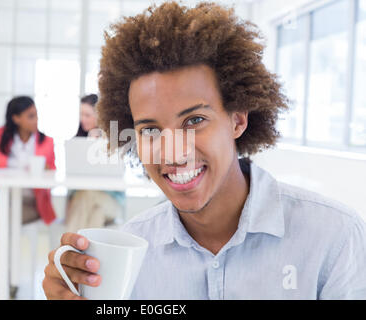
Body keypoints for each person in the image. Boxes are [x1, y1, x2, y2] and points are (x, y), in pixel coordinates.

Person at [42, 2, 366, 300]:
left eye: (194, 120)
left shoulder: (334, 238)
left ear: (237, 120)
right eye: (151, 130)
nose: (173, 153)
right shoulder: (129, 258)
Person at [0, 96, 56, 296]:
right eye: (30, 116)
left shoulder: (46, 141)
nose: (36, 120)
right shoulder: (2, 136)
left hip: (31, 202)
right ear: (16, 118)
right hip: (0, 195)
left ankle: (2, 284)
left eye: (36, 115)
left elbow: (53, 173)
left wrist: (47, 169)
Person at [64, 94, 125, 233]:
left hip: (110, 201)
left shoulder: (114, 140)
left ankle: (68, 250)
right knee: (95, 210)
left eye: (87, 115)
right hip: (87, 202)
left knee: (88, 195)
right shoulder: (76, 142)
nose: (82, 119)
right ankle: (87, 254)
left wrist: (99, 144)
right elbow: (71, 178)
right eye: (81, 114)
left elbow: (118, 177)